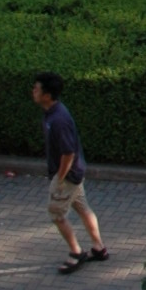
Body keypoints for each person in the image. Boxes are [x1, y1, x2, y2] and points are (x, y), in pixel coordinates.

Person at [33, 71, 107, 272]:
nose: (33, 92)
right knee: (83, 208)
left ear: (47, 95)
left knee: (56, 214)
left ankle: (76, 252)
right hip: (75, 173)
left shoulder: (58, 120)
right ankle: (98, 248)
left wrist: (59, 179)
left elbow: (68, 154)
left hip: (67, 176)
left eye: (37, 89)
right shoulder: (53, 113)